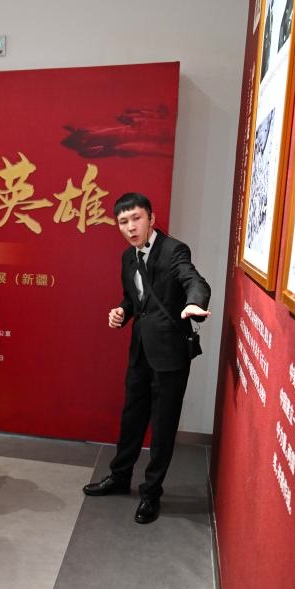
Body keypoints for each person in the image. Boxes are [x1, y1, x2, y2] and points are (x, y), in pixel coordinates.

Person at [83, 193, 211, 524]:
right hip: (140, 350)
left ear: (151, 218)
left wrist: (195, 302)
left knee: (163, 426)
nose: (130, 227)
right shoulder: (128, 257)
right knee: (132, 418)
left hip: (170, 355)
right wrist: (121, 312)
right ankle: (120, 476)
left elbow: (193, 279)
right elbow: (133, 299)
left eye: (136, 219)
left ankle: (151, 492)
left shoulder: (174, 250)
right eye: (123, 222)